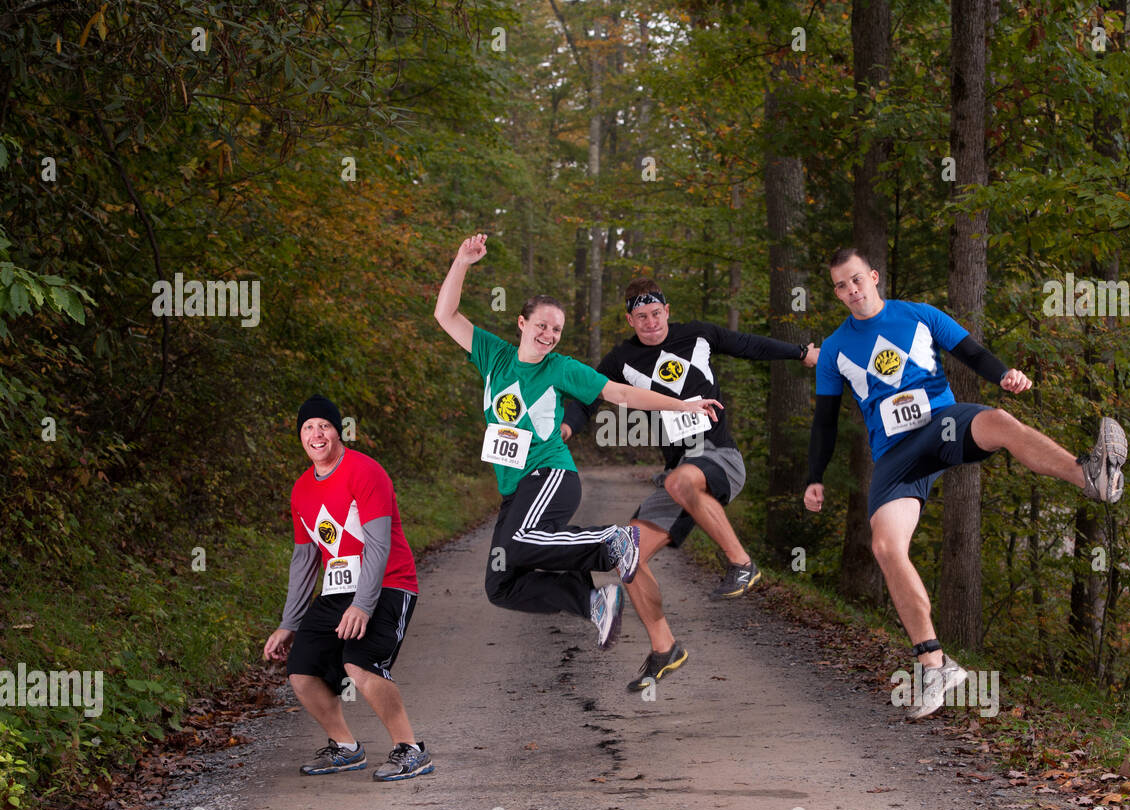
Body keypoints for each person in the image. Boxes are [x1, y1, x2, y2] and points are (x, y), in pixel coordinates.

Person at [805, 248, 1127, 718]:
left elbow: (970, 352)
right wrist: (814, 477)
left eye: (856, 280)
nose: (851, 291)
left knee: (998, 421)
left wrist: (1005, 375)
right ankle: (934, 664)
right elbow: (824, 422)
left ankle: (1089, 474)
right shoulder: (834, 348)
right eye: (840, 286)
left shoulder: (919, 316)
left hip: (941, 425)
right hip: (895, 455)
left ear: (873, 277)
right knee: (886, 548)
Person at [434, 234, 722, 651]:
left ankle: (613, 541)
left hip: (549, 474)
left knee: (519, 543)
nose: (549, 334)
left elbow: (622, 394)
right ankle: (593, 600)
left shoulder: (561, 368)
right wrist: (461, 260)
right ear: (522, 323)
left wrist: (682, 404)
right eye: (541, 325)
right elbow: (446, 314)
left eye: (556, 329)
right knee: (501, 583)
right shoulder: (493, 356)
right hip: (514, 488)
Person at [561, 277, 819, 692]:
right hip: (678, 474)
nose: (650, 323)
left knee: (682, 479)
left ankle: (742, 564)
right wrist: (568, 428)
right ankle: (665, 647)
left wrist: (802, 352)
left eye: (656, 314)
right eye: (641, 317)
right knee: (624, 553)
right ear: (630, 318)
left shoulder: (698, 334)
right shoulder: (621, 358)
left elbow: (750, 345)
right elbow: (587, 396)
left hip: (718, 457)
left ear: (668, 311)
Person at [262, 395, 434, 781]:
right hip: (338, 591)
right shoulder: (301, 490)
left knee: (360, 662)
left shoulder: (364, 471)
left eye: (324, 425)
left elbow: (378, 545)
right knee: (301, 670)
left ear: (338, 432)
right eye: (308, 427)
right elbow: (305, 560)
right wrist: (288, 623)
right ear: (300, 437)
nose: (316, 434)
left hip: (389, 583)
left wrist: (364, 604)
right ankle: (345, 748)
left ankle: (409, 749)